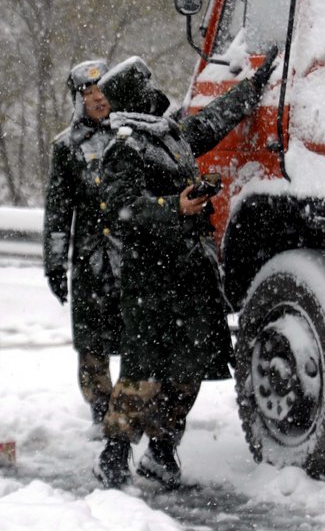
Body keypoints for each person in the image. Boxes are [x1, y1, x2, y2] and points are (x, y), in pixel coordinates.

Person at [93, 48, 278, 489]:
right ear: (134, 94)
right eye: (147, 82)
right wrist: (172, 205)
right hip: (152, 279)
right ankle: (115, 454)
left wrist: (253, 87)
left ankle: (160, 452)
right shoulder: (125, 146)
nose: (156, 87)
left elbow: (211, 121)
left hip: (190, 275)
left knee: (186, 371)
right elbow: (120, 209)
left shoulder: (168, 134)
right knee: (142, 374)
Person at [44, 59, 121, 437]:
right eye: (88, 92)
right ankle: (100, 410)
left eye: (102, 89)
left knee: (136, 336)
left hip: (131, 258)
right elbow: (58, 212)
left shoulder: (130, 135)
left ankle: (132, 410)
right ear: (77, 99)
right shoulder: (67, 148)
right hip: (90, 259)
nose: (97, 98)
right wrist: (54, 264)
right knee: (92, 342)